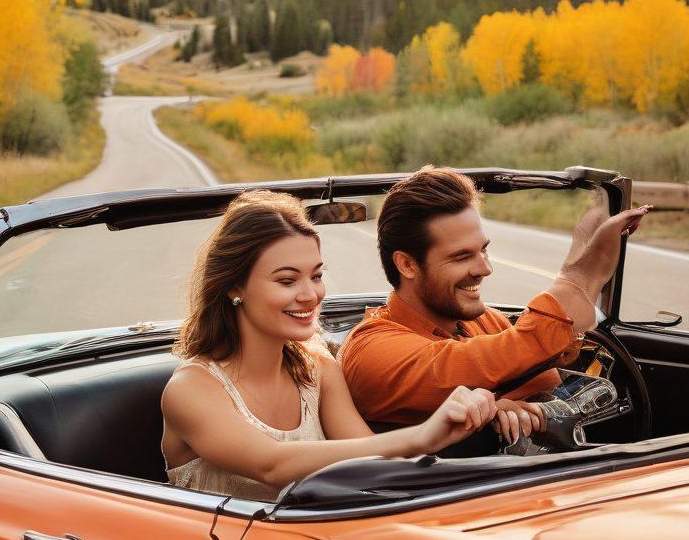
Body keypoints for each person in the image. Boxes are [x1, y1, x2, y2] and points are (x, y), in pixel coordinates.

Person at [161, 189, 498, 501]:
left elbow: (370, 458)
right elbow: (271, 465)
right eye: (287, 280)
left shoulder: (317, 368)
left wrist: (483, 413)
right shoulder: (191, 388)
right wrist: (422, 435)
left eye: (317, 276)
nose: (310, 295)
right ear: (235, 287)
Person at [340, 166, 652, 440]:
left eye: (483, 250)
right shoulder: (371, 351)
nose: (485, 268)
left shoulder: (483, 320)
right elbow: (486, 361)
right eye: (462, 256)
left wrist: (510, 407)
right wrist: (580, 274)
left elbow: (544, 382)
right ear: (407, 265)